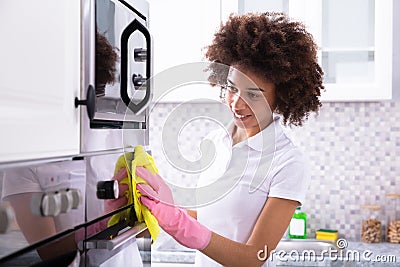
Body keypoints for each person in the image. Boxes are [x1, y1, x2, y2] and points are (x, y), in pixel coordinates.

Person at [135, 12, 324, 266]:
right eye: (232, 88)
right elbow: (207, 218)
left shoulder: (287, 162)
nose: (237, 103)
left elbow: (253, 258)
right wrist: (169, 208)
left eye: (254, 95)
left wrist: (184, 228)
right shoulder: (217, 139)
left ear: (281, 96)